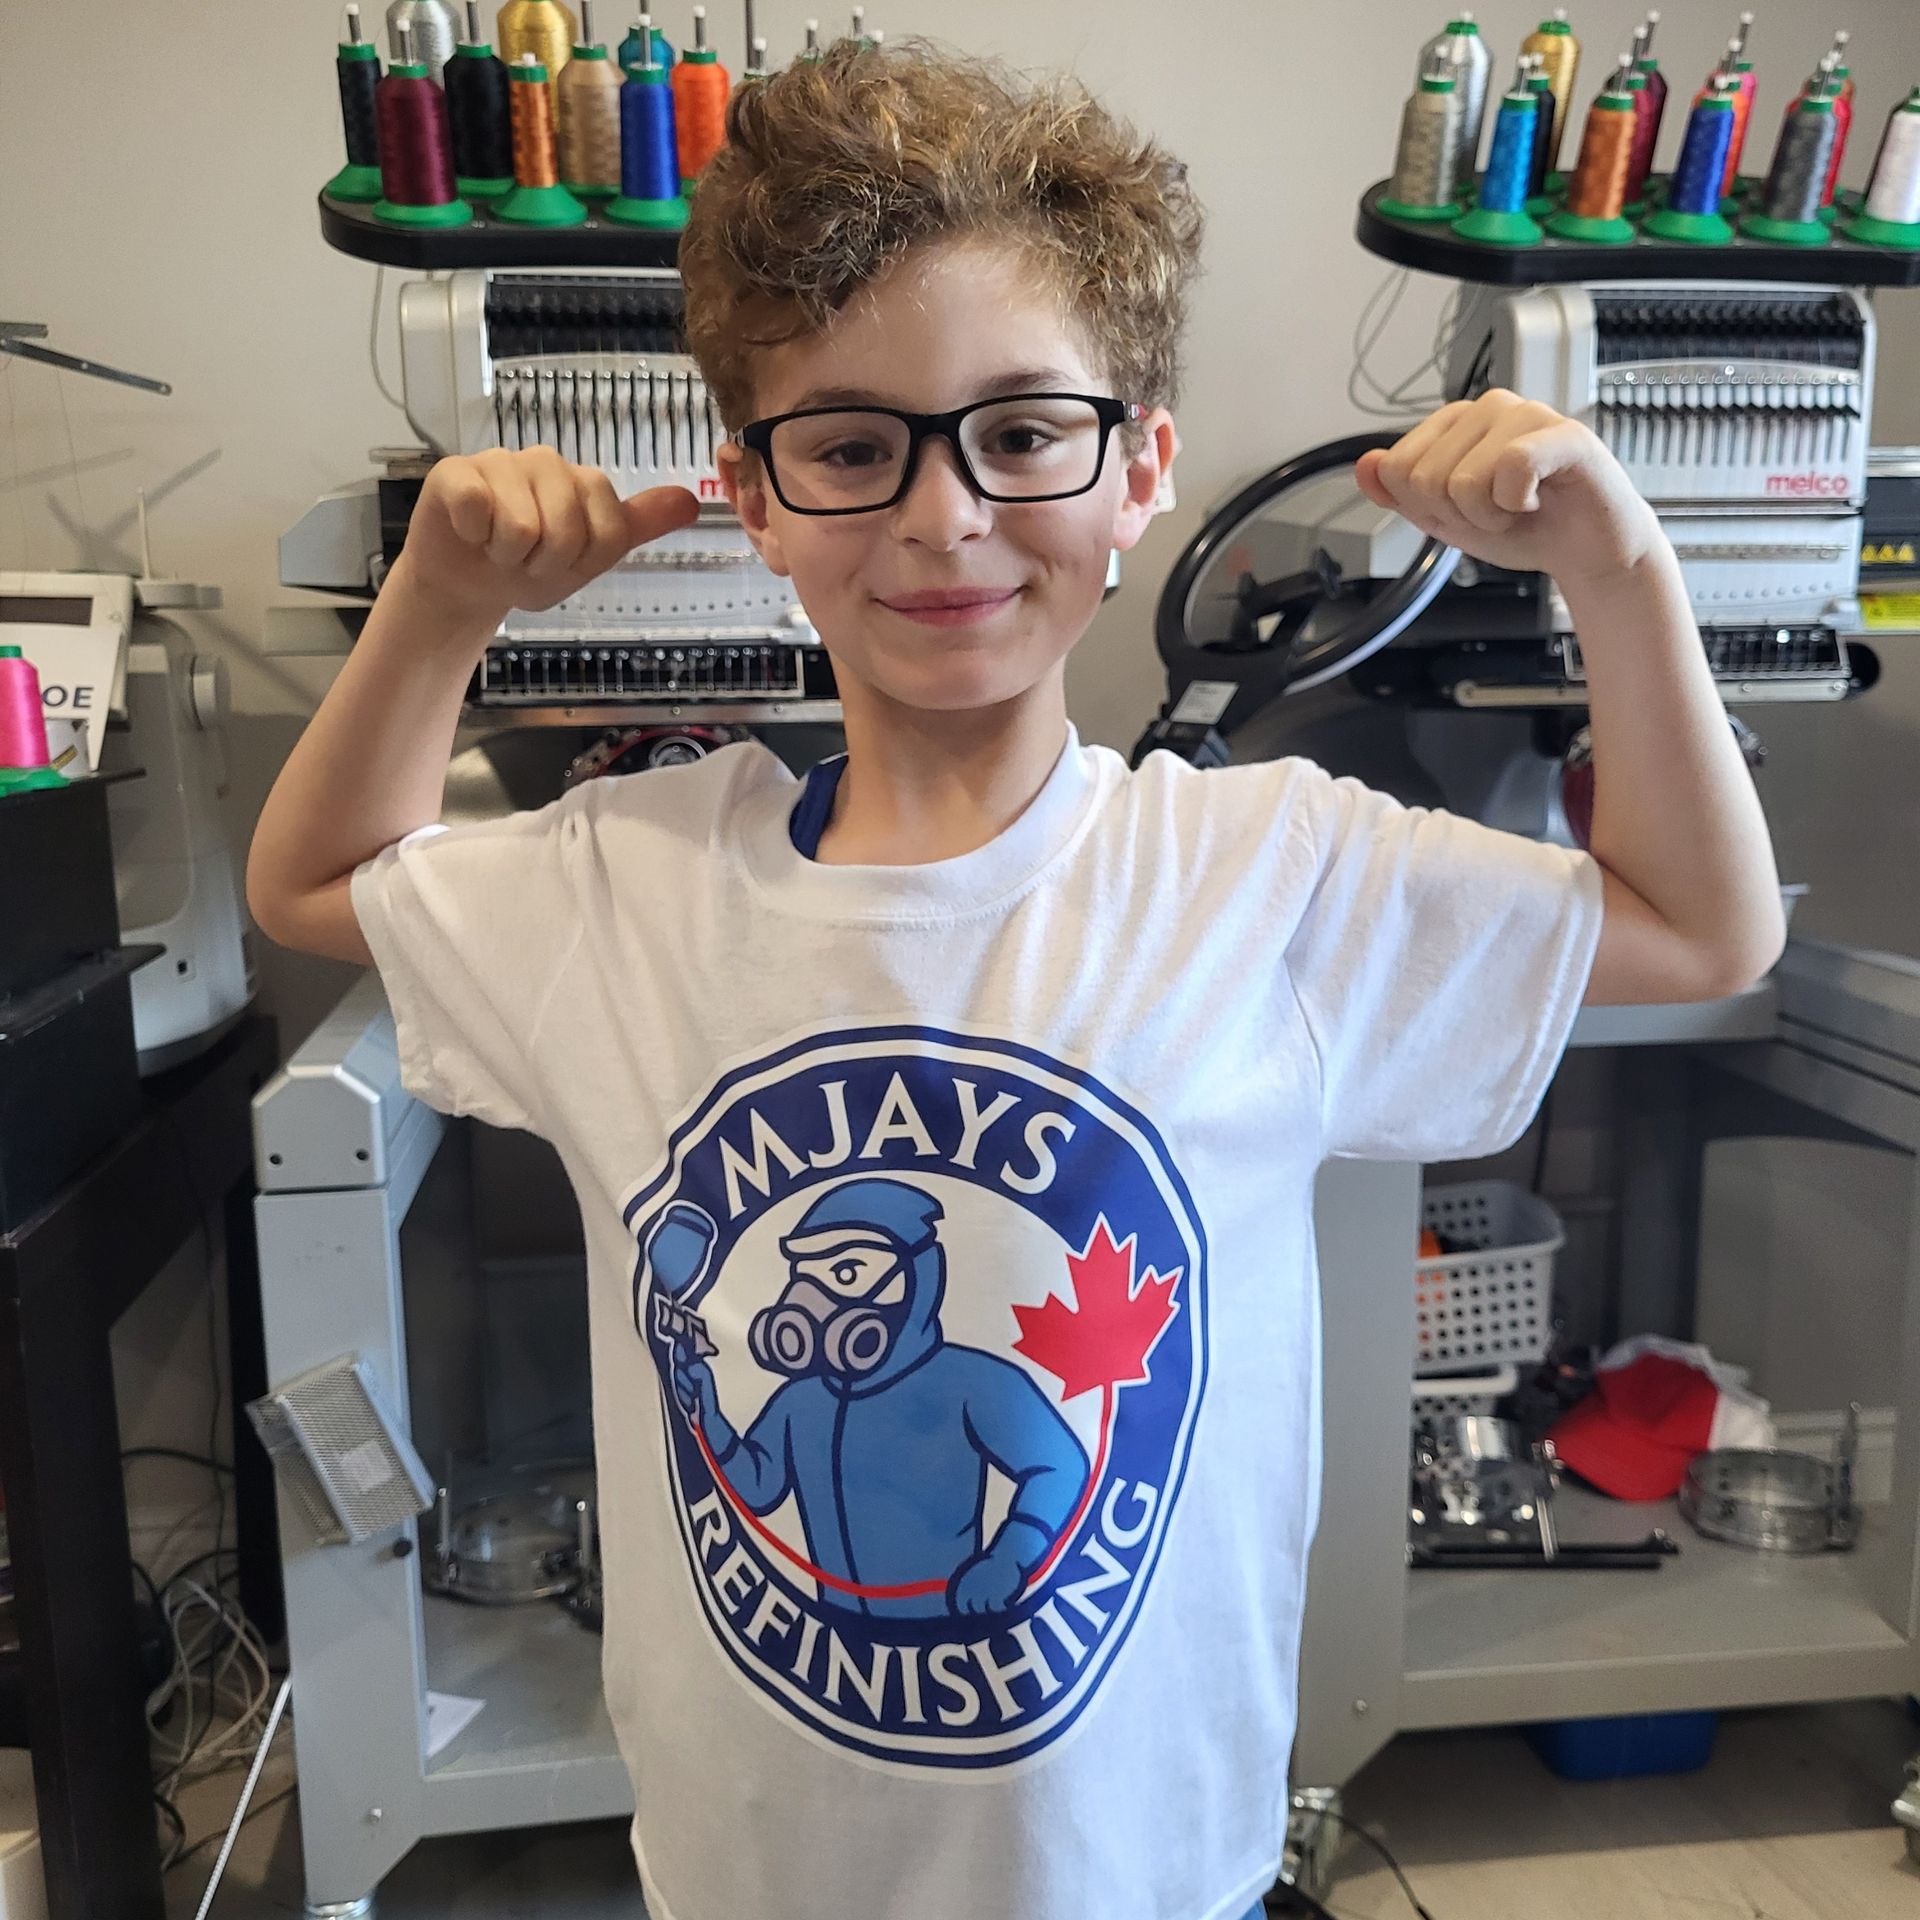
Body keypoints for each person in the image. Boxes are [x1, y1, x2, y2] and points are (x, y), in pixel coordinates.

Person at [247, 36, 1784, 1920]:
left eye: (1024, 432)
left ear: (1140, 469)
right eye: (847, 441)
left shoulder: (1268, 876)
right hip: (749, 1876)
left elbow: (1709, 930)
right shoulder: (629, 886)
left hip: (1151, 1875)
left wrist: (1622, 571)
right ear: (753, 493)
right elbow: (311, 878)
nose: (943, 513)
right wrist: (440, 604)